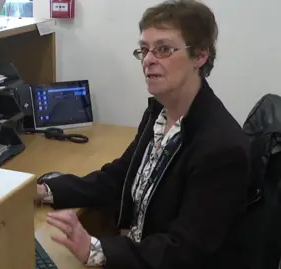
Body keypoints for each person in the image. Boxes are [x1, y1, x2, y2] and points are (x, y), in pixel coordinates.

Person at [35, 1, 251, 268]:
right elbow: (119, 177)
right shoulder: (160, 113)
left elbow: (185, 250)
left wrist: (96, 249)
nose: (148, 59)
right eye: (145, 49)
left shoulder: (221, 148)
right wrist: (45, 191)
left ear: (200, 56)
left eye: (163, 49)